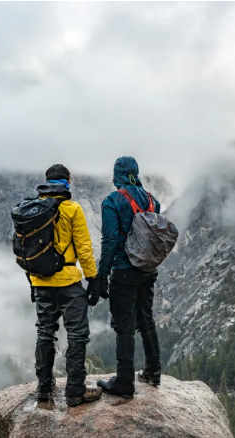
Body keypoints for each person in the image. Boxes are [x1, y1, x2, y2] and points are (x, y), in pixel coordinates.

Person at [29, 164, 104, 407]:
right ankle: (74, 392)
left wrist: (33, 281)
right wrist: (93, 279)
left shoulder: (32, 210)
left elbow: (27, 252)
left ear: (46, 182)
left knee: (44, 333)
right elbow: (84, 248)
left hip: (40, 282)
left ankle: (44, 388)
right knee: (77, 336)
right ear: (67, 183)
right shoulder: (72, 209)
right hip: (69, 283)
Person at [96, 156, 162, 399]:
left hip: (124, 271)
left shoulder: (112, 201)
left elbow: (111, 241)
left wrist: (101, 275)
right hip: (148, 269)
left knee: (124, 326)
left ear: (117, 175)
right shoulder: (153, 202)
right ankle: (153, 372)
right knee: (146, 318)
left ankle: (124, 383)